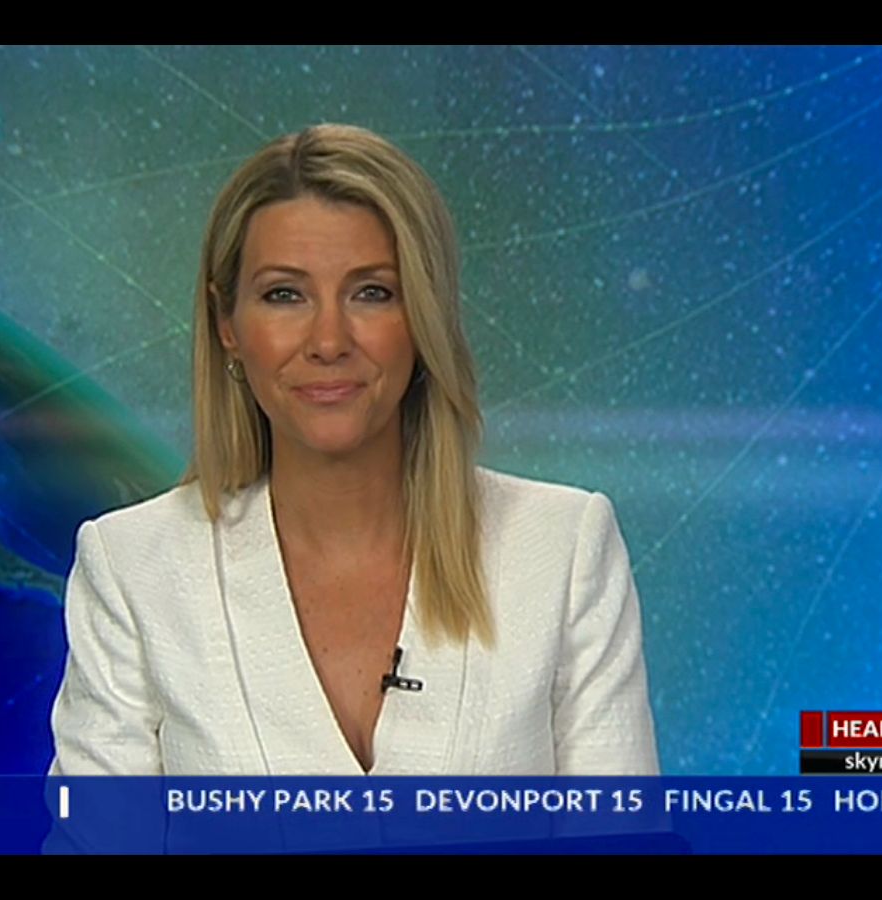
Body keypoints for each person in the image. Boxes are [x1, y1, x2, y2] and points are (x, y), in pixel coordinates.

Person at [48, 124, 658, 776]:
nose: (329, 342)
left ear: (423, 316)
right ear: (227, 322)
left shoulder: (562, 549)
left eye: (372, 292)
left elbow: (620, 826)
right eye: (285, 295)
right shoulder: (133, 569)